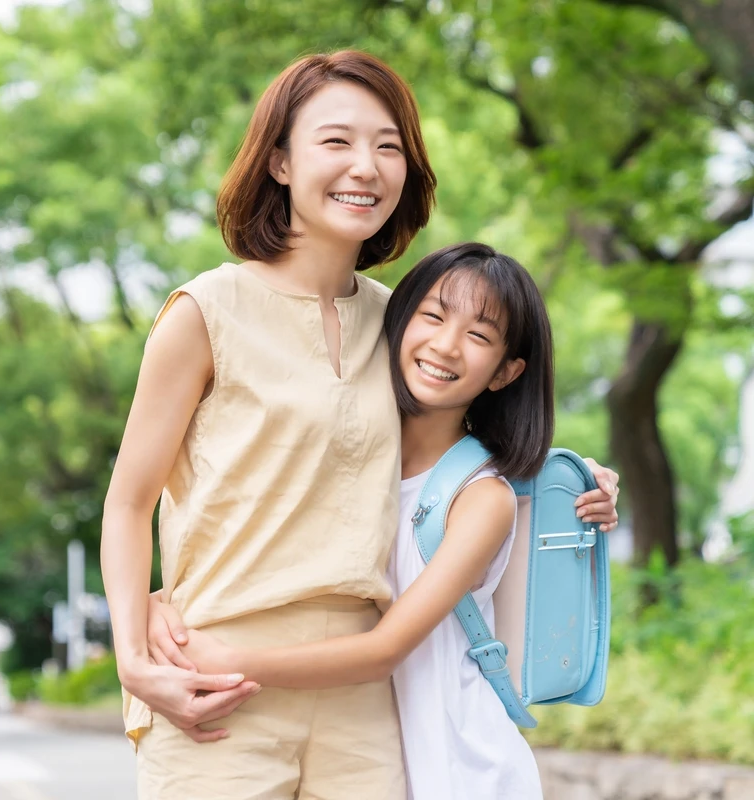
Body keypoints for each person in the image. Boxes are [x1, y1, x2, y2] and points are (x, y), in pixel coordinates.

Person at [100, 51, 619, 799]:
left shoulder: (402, 322)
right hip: (213, 682)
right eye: (336, 142)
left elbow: (464, 439)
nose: (366, 167)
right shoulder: (204, 313)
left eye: (388, 146)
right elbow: (127, 500)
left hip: (367, 699)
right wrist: (132, 656)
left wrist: (578, 480)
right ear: (279, 161)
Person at [151, 242, 589, 798]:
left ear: (505, 372)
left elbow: (386, 648)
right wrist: (162, 599)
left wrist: (230, 662)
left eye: (479, 336)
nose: (446, 345)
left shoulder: (482, 498)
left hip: (458, 760)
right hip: (373, 742)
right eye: (432, 315)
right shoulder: (354, 458)